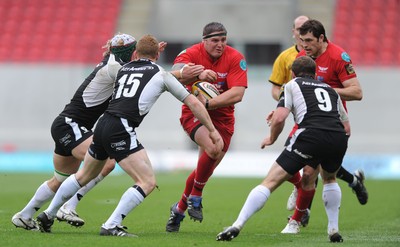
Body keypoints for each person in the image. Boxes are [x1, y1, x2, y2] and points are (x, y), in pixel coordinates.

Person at [34, 34, 223, 237]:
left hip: (102, 125)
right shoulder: (160, 74)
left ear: (135, 54)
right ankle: (111, 225)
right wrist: (212, 131)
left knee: (82, 176)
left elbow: (140, 69)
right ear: (157, 55)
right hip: (120, 127)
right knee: (147, 181)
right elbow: (193, 103)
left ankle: (49, 213)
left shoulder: (123, 69)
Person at [11, 33, 139, 231]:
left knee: (61, 180)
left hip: (66, 125)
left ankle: (25, 215)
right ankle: (68, 206)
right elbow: (144, 76)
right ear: (132, 53)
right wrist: (174, 73)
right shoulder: (113, 68)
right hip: (71, 125)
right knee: (107, 163)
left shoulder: (111, 64)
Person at [216, 56, 349, 243]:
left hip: (310, 135)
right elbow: (346, 126)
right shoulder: (331, 90)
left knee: (270, 182)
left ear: (293, 73)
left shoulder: (291, 85)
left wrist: (271, 138)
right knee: (329, 179)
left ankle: (237, 224)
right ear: (316, 73)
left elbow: (279, 118)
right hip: (337, 137)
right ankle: (333, 229)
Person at [281, 19, 368, 234]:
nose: (304, 46)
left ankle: (297, 219)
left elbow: (357, 92)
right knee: (304, 170)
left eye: (309, 41)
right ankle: (353, 181)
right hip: (306, 123)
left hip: (332, 123)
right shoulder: (301, 59)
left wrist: (323, 88)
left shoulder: (339, 57)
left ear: (322, 38)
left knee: (315, 172)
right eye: (301, 41)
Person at [165, 22, 248, 232]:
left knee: (205, 169)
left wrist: (209, 103)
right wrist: (196, 74)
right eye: (215, 40)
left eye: (223, 40)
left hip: (224, 120)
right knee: (213, 147)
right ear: (204, 41)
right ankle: (196, 196)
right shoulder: (192, 53)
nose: (220, 44)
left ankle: (179, 209)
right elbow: (173, 71)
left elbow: (237, 94)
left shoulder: (235, 58)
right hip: (194, 115)